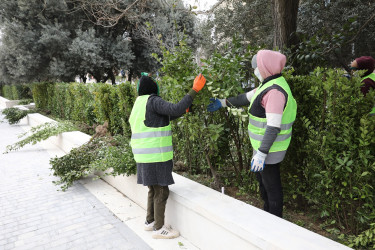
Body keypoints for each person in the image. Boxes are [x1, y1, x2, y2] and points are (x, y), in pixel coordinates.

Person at [207, 50, 297, 218]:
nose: (255, 70)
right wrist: (223, 102)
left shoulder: (275, 92)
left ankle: (275, 221)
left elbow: (273, 127)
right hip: (262, 147)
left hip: (270, 150)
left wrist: (262, 154)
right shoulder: (268, 84)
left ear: (265, 67)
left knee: (271, 187)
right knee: (264, 185)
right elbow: (245, 98)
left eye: (257, 67)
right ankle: (267, 215)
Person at [129, 72, 206, 239]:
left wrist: (183, 109)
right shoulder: (153, 100)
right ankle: (159, 229)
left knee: (153, 188)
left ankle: (149, 222)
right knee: (162, 191)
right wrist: (194, 90)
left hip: (143, 155)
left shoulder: (139, 103)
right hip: (156, 154)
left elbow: (166, 115)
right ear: (153, 88)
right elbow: (174, 108)